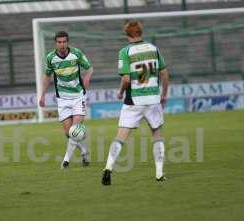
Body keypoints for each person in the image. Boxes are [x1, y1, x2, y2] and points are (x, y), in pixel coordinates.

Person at [101, 21, 169, 185]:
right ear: (141, 32)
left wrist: (120, 92)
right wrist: (164, 95)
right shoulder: (154, 49)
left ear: (127, 35)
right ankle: (159, 173)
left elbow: (125, 78)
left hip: (134, 100)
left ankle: (108, 168)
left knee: (121, 136)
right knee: (157, 135)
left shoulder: (125, 51)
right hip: (153, 99)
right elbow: (165, 75)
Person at [39, 31, 94, 169]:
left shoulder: (76, 54)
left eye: (64, 42)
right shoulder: (51, 58)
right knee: (68, 133)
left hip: (78, 97)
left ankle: (65, 161)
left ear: (67, 42)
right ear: (55, 43)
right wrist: (42, 95)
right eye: (59, 42)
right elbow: (47, 77)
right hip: (62, 99)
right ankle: (84, 151)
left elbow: (90, 68)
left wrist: (87, 78)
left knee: (74, 130)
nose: (62, 45)